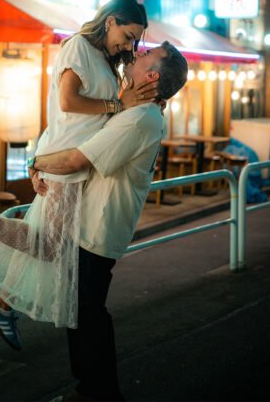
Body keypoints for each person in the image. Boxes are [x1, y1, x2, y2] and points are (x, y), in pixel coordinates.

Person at [0, 0, 156, 350]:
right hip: (65, 163)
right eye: (129, 34)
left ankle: (3, 307)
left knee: (47, 243)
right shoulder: (77, 46)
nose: (130, 44)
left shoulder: (105, 59)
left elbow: (80, 119)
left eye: (136, 40)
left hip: (72, 160)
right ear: (110, 21)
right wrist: (118, 104)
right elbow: (68, 103)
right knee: (48, 246)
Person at [29, 41, 188, 402]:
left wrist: (36, 162)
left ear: (151, 76)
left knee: (88, 314)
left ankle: (100, 392)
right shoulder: (134, 112)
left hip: (97, 231)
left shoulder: (140, 119)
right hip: (88, 227)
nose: (137, 52)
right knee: (80, 310)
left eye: (146, 55)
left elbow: (75, 160)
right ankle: (91, 388)